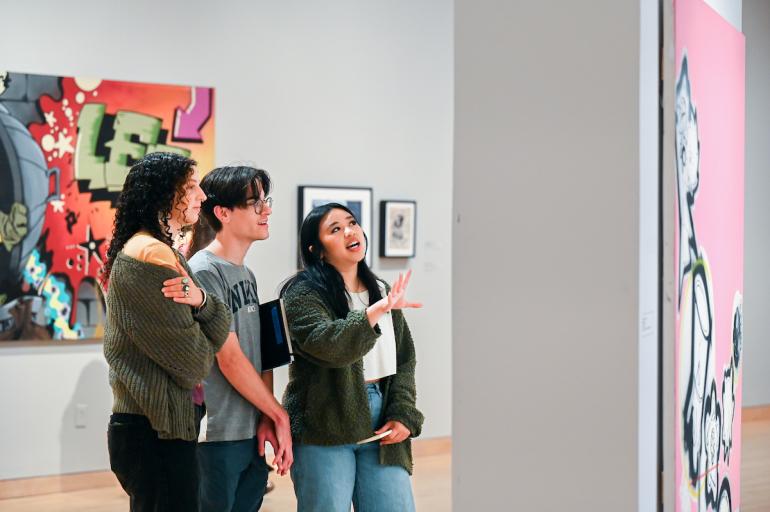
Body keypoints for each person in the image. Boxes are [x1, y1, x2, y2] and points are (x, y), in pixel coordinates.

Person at [102, 152, 232, 512]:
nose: (202, 197)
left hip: (161, 427)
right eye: (191, 188)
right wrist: (207, 319)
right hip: (152, 431)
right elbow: (194, 363)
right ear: (164, 195)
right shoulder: (148, 257)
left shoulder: (164, 253)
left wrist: (202, 301)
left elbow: (221, 321)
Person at [280, 203, 424, 512]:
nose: (350, 231)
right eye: (335, 229)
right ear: (317, 250)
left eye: (352, 223)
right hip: (323, 422)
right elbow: (328, 345)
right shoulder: (302, 294)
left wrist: (402, 411)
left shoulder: (381, 291)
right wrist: (376, 311)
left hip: (382, 420)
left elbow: (404, 361)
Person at [187, 165, 293, 512]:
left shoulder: (246, 273)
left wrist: (265, 415)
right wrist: (279, 415)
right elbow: (229, 358)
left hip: (249, 431)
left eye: (266, 201)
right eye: (255, 203)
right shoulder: (204, 270)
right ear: (223, 213)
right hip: (217, 435)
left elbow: (260, 353)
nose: (267, 210)